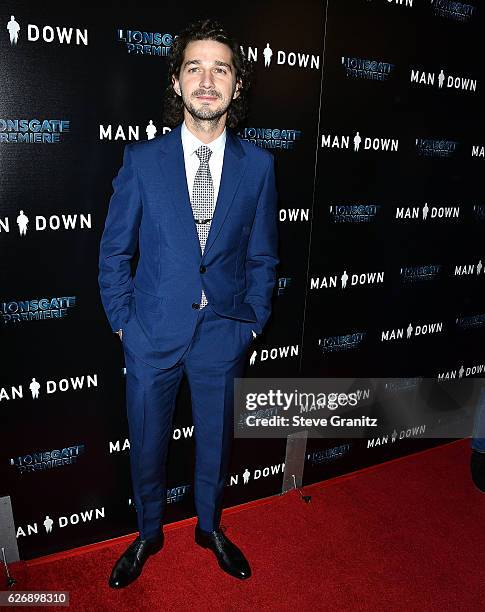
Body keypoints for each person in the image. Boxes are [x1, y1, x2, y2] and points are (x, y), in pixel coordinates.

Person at [98, 18, 279, 588]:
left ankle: (210, 527)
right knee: (147, 442)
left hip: (223, 331)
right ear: (176, 83)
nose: (207, 80)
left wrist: (251, 322)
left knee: (216, 444)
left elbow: (263, 256)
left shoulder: (259, 166)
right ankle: (148, 532)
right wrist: (126, 324)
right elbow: (114, 252)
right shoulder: (143, 161)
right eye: (194, 68)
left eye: (220, 69)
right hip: (152, 333)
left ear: (236, 85)